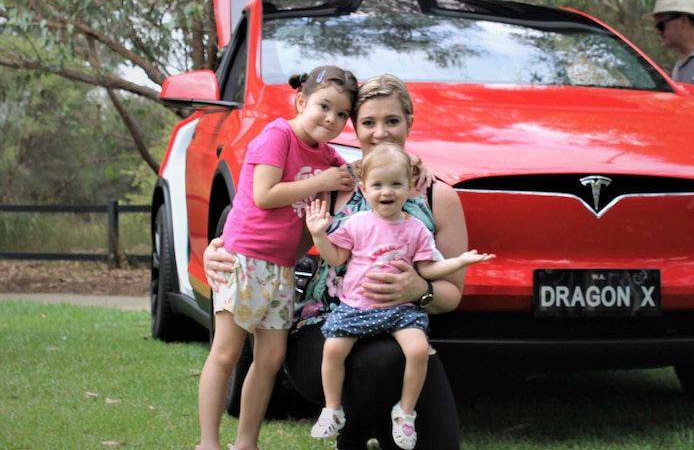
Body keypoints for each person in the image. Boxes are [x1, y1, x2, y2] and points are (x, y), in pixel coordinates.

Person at [203, 73, 468, 450]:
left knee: (435, 433)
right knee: (383, 361)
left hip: (401, 323)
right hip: (326, 326)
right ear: (353, 127)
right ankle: (354, 431)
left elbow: (452, 293)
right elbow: (258, 215)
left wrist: (420, 290)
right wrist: (216, 249)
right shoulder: (334, 181)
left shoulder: (438, 196)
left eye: (392, 121)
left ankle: (371, 427)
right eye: (368, 123)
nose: (380, 133)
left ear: (409, 121)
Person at [196, 65, 358, 450]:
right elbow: (265, 195)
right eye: (324, 106)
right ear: (301, 100)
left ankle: (246, 442)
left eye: (342, 114)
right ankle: (208, 443)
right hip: (245, 260)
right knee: (227, 352)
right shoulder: (277, 135)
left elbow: (354, 175)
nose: (332, 119)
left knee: (271, 359)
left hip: (282, 270)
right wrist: (323, 181)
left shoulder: (328, 157)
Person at [305, 143, 494, 449]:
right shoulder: (358, 224)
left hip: (400, 310)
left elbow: (428, 268)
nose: (387, 192)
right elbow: (337, 257)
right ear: (364, 189)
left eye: (395, 184)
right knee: (333, 350)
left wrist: (459, 262)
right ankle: (332, 409)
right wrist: (318, 235)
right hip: (356, 307)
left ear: (409, 188)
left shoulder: (415, 229)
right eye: (378, 185)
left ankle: (404, 413)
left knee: (418, 351)